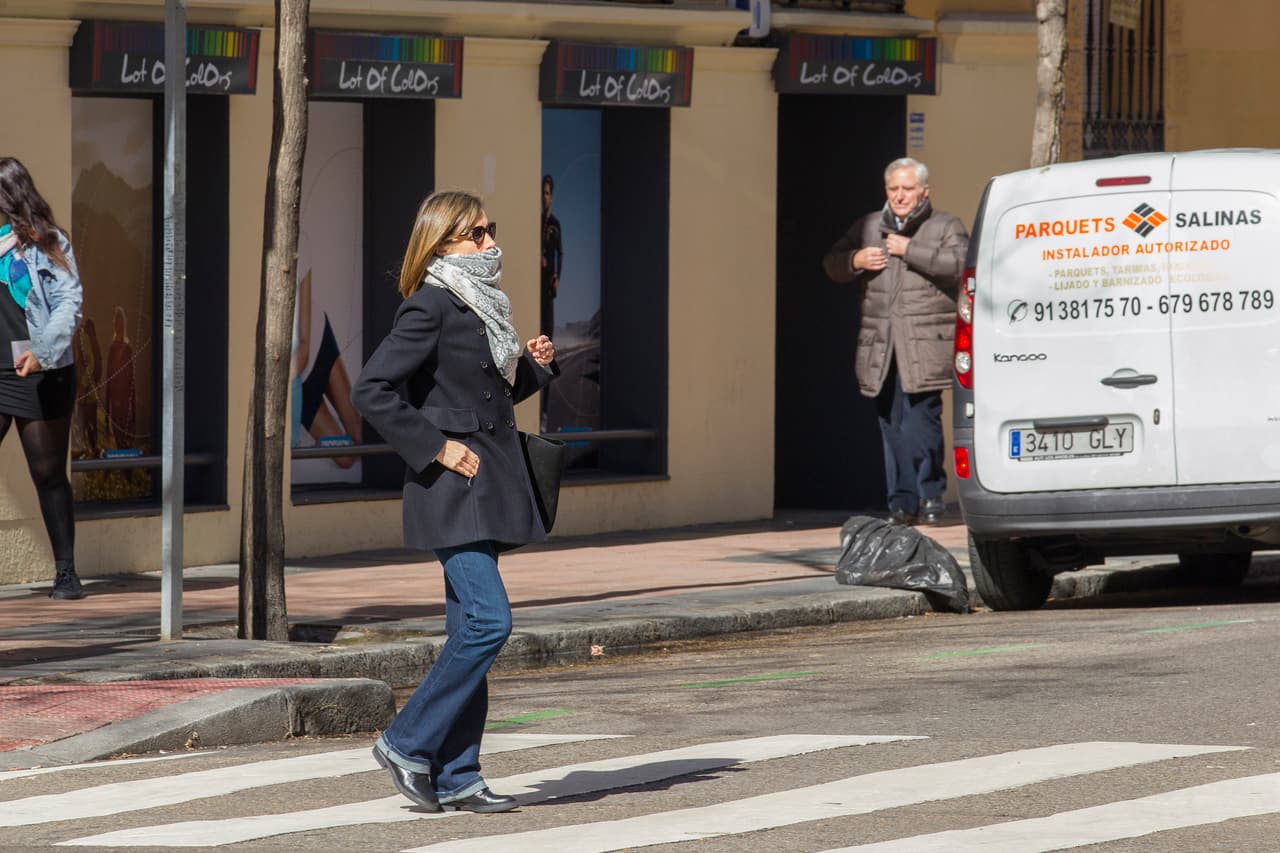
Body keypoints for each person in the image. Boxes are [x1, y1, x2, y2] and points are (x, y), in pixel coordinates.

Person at [352, 190, 558, 814]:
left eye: (490, 229)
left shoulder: (483, 306)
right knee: (490, 622)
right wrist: (434, 447)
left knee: (468, 627)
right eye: (476, 233)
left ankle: (459, 774)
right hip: (452, 488)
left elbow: (481, 398)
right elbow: (372, 389)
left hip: (487, 484)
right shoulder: (431, 306)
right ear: (443, 243)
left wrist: (529, 368)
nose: (490, 241)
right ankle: (405, 741)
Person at [823, 157, 968, 526]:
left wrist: (910, 250)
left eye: (907, 189)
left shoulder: (944, 224)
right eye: (893, 189)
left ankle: (930, 492)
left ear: (924, 191)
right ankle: (901, 502)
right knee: (890, 422)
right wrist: (856, 258)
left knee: (920, 422)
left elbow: (962, 264)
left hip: (924, 343)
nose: (900, 196)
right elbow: (832, 262)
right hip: (881, 345)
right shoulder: (870, 225)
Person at [0, 157, 85, 599]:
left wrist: (43, 352)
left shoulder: (48, 243)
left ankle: (66, 572)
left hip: (38, 370)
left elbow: (69, 304)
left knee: (48, 472)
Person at [291, 268, 362, 468]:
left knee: (359, 437)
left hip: (316, 343)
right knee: (345, 458)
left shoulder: (301, 245)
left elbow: (304, 346)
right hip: (296, 381)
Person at [539, 174, 563, 338]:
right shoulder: (537, 222)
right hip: (537, 280)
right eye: (542, 193)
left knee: (548, 324)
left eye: (547, 193)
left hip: (549, 281)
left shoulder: (555, 223)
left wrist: (557, 276)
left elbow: (560, 252)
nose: (544, 198)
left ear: (552, 196)